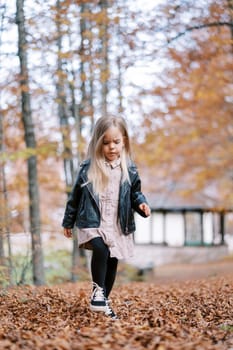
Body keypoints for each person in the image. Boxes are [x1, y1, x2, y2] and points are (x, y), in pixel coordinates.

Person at [62, 116, 150, 320]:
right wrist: (68, 221)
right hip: (93, 221)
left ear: (124, 141)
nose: (112, 147)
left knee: (112, 262)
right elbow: (75, 196)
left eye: (116, 142)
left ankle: (104, 301)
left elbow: (135, 193)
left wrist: (142, 204)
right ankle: (97, 292)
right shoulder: (89, 168)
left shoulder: (129, 169)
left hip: (116, 224)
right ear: (98, 143)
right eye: (106, 142)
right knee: (100, 248)